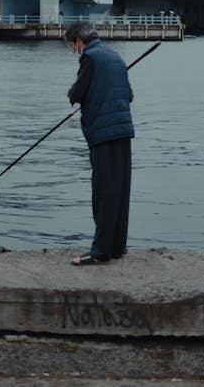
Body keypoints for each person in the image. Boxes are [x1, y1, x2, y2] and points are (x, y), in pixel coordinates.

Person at [65, 21, 134, 266]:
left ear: (79, 42)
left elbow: (77, 94)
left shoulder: (90, 58)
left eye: (73, 47)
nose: (75, 52)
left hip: (103, 133)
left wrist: (72, 93)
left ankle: (100, 252)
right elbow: (129, 95)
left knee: (103, 191)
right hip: (124, 131)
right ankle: (117, 246)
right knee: (120, 189)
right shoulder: (115, 56)